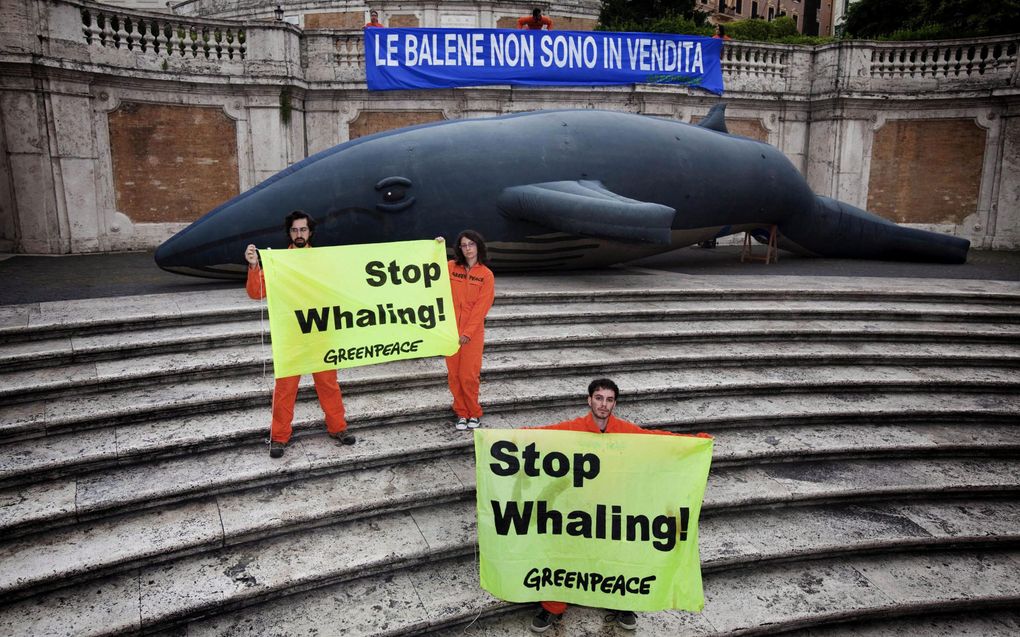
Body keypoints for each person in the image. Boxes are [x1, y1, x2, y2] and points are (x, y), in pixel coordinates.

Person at [527, 378, 712, 633]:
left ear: (615, 403)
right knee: (565, 556)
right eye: (599, 398)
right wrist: (505, 439)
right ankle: (552, 607)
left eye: (610, 399)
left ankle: (622, 603)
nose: (604, 404)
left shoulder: (625, 430)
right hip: (579, 508)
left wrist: (694, 442)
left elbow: (657, 441)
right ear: (589, 400)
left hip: (616, 507)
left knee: (618, 555)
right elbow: (538, 436)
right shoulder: (571, 428)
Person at [245, 210, 355, 458]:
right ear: (289, 233)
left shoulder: (321, 260)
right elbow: (256, 292)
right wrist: (254, 265)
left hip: (320, 333)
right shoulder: (279, 261)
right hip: (292, 336)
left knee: (329, 385)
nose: (299, 234)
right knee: (285, 388)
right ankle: (280, 437)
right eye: (294, 230)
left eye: (303, 229)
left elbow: (346, 282)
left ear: (310, 232)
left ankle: (338, 428)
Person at [440, 231, 495, 430]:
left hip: (472, 334)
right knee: (453, 375)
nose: (468, 249)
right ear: (459, 249)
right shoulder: (450, 268)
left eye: (471, 244)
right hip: (451, 331)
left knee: (469, 375)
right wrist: (435, 248)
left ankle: (474, 413)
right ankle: (461, 413)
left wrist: (468, 333)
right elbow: (430, 270)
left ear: (478, 246)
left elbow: (482, 307)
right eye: (464, 245)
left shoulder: (486, 275)